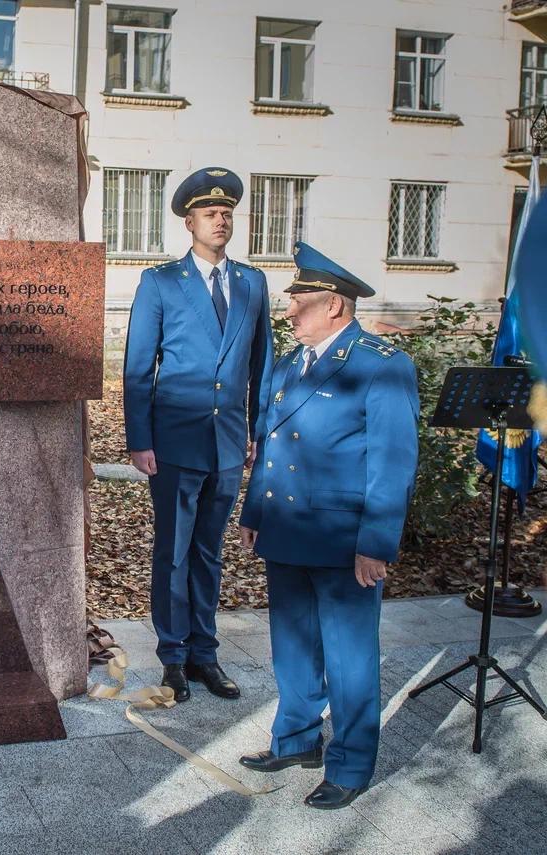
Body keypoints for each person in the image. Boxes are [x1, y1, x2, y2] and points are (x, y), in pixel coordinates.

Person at [237, 242, 419, 810]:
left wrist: (376, 543)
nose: (289, 312)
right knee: (292, 645)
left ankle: (351, 764)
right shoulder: (293, 363)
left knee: (349, 656)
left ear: (335, 306)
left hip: (343, 540)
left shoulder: (380, 364)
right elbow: (270, 444)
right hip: (288, 527)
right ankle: (295, 740)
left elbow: (393, 462)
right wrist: (254, 513)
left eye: (299, 301)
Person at [123, 167, 273, 702]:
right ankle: (173, 656)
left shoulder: (252, 283)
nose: (221, 220)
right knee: (174, 551)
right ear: (189, 223)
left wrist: (259, 430)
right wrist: (139, 439)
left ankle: (206, 653)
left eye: (227, 213)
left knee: (210, 552)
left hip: (229, 441)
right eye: (210, 214)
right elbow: (139, 366)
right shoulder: (160, 282)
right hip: (176, 440)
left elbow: (263, 365)